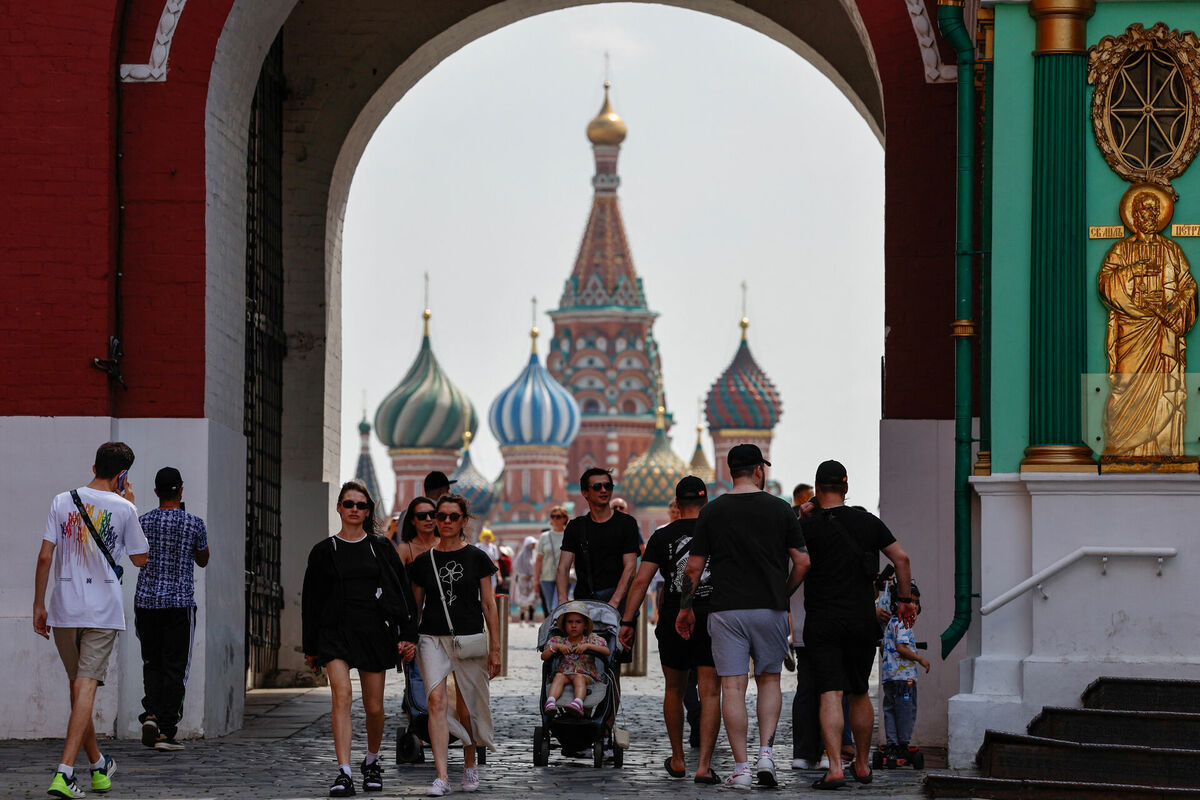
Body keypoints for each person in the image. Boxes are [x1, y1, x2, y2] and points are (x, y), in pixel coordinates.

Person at [677, 444, 809, 789]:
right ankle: (766, 753)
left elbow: (693, 568)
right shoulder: (780, 509)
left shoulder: (713, 511)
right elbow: (803, 561)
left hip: (726, 610)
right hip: (770, 607)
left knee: (732, 687)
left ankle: (741, 768)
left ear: (731, 469)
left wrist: (685, 607)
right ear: (759, 470)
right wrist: (784, 592)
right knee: (769, 680)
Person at [33, 442, 149, 799]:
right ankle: (65, 773)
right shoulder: (124, 507)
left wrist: (39, 604)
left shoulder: (61, 500)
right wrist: (131, 502)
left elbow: (44, 557)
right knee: (85, 687)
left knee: (77, 687)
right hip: (101, 610)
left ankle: (98, 765)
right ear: (123, 474)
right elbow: (141, 558)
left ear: (93, 465)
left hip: (64, 606)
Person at [800, 460, 914, 789]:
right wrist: (904, 600)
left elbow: (792, 557)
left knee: (830, 694)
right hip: (861, 618)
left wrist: (803, 513)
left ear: (817, 489)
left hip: (822, 619)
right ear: (846, 488)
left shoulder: (807, 527)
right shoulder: (867, 522)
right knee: (860, 692)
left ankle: (835, 766)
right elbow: (902, 560)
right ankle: (862, 765)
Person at [302, 480, 418, 797]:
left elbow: (401, 592)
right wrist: (310, 646)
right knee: (341, 696)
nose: (355, 510)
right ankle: (344, 772)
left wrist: (408, 633)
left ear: (368, 511)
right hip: (334, 633)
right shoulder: (324, 551)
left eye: (361, 505)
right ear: (339, 507)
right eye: (349, 504)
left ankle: (371, 761)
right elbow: (311, 601)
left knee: (375, 707)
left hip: (373, 631)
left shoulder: (380, 548)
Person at [621, 476, 722, 784]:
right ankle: (704, 764)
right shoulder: (718, 532)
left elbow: (641, 581)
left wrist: (627, 621)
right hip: (711, 617)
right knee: (710, 692)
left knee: (674, 689)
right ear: (705, 503)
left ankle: (678, 758)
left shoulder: (663, 535)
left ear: (677, 505)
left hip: (672, 617)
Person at [409, 495, 502, 797]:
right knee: (436, 702)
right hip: (432, 638)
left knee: (465, 704)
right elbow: (416, 607)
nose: (446, 521)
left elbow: (489, 604)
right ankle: (441, 776)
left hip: (468, 637)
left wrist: (497, 647)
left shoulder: (477, 558)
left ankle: (470, 763)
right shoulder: (423, 562)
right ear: (435, 519)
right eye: (441, 515)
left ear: (464, 520)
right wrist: (410, 640)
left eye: (453, 516)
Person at [1099, 184, 1198, 458]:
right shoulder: (1120, 250)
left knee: (1165, 387)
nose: (1152, 214)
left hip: (1162, 333)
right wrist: (1134, 270)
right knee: (1125, 385)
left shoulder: (1172, 250)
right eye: (1146, 210)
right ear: (1135, 214)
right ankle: (1124, 450)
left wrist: (1174, 306)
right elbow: (1106, 284)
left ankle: (1164, 450)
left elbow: (1189, 286)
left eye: (1156, 210)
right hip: (1132, 332)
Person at [133, 467, 210, 752]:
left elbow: (137, 559)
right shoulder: (194, 523)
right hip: (179, 604)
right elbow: (203, 559)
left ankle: (150, 714)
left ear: (156, 492)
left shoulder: (143, 522)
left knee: (152, 662)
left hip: (147, 602)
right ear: (181, 490)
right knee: (176, 667)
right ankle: (165, 728)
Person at [556, 468, 640, 610]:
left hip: (619, 604)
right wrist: (562, 602)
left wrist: (613, 603)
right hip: (585, 601)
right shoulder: (576, 526)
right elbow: (563, 567)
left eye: (607, 486)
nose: (603, 490)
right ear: (585, 493)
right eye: (597, 486)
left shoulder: (627, 523)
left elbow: (630, 567)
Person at [881, 581, 928, 765]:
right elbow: (901, 647)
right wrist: (919, 658)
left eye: (916, 602)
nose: (914, 606)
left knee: (890, 710)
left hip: (890, 678)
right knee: (906, 711)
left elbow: (886, 648)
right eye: (911, 602)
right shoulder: (904, 623)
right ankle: (903, 745)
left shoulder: (890, 623)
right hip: (905, 677)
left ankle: (891, 745)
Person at [542, 603, 611, 716]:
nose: (573, 625)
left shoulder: (591, 639)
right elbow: (544, 656)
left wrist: (588, 646)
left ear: (585, 625)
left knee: (579, 678)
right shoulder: (558, 641)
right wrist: (556, 647)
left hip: (586, 675)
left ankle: (578, 702)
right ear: (564, 625)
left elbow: (606, 651)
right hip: (564, 674)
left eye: (578, 622)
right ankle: (550, 702)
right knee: (558, 676)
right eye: (570, 622)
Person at [534, 507, 570, 613]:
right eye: (553, 516)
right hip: (547, 577)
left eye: (558, 516)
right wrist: (536, 580)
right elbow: (539, 559)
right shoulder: (544, 536)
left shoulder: (569, 535)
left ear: (564, 518)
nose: (555, 519)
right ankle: (554, 628)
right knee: (551, 607)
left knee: (558, 605)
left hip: (564, 577)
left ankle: (558, 628)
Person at [396, 496, 438, 566]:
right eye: (422, 516)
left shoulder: (446, 543)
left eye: (432, 514)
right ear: (412, 521)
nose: (428, 519)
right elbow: (397, 575)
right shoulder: (404, 549)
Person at [512, 536, 540, 624]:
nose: (533, 546)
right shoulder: (521, 555)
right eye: (532, 544)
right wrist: (524, 575)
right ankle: (522, 619)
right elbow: (517, 566)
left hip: (532, 580)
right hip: (523, 581)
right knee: (522, 600)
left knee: (532, 599)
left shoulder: (535, 554)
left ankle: (531, 619)